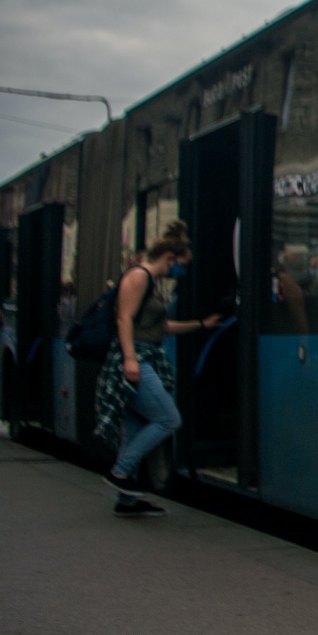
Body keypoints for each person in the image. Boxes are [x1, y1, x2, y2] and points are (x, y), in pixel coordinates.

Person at [96, 220, 223, 517]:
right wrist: (129, 359)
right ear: (169, 258)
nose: (180, 271)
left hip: (145, 355)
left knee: (137, 427)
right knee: (168, 418)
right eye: (181, 265)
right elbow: (124, 319)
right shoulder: (138, 277)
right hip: (135, 358)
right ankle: (120, 472)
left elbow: (161, 326)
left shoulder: (149, 283)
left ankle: (127, 501)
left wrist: (201, 325)